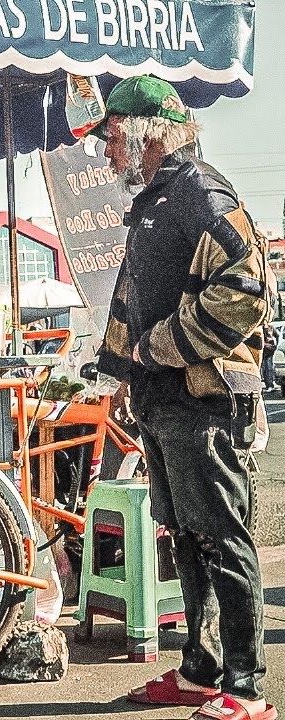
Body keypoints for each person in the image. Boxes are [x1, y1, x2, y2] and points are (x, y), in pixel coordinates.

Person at [90, 77, 273, 720]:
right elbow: (129, 302)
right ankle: (198, 670)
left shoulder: (202, 197)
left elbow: (249, 293)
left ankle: (246, 687)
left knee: (223, 538)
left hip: (206, 403)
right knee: (186, 537)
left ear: (151, 132)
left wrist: (158, 346)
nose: (106, 152)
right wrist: (119, 374)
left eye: (113, 137)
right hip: (163, 404)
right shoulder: (152, 203)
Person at [262, 322, 277, 394]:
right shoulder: (259, 327)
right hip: (262, 350)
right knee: (265, 368)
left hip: (269, 350)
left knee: (268, 367)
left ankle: (270, 385)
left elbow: (277, 335)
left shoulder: (271, 327)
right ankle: (269, 385)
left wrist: (275, 345)